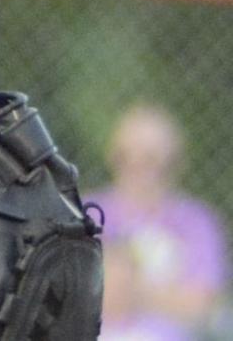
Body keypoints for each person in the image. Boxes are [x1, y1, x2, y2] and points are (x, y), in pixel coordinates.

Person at [91, 103, 229, 341]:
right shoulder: (88, 212)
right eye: (126, 156)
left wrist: (127, 289)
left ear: (174, 163)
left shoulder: (196, 222)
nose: (137, 167)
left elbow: (202, 304)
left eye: (150, 159)